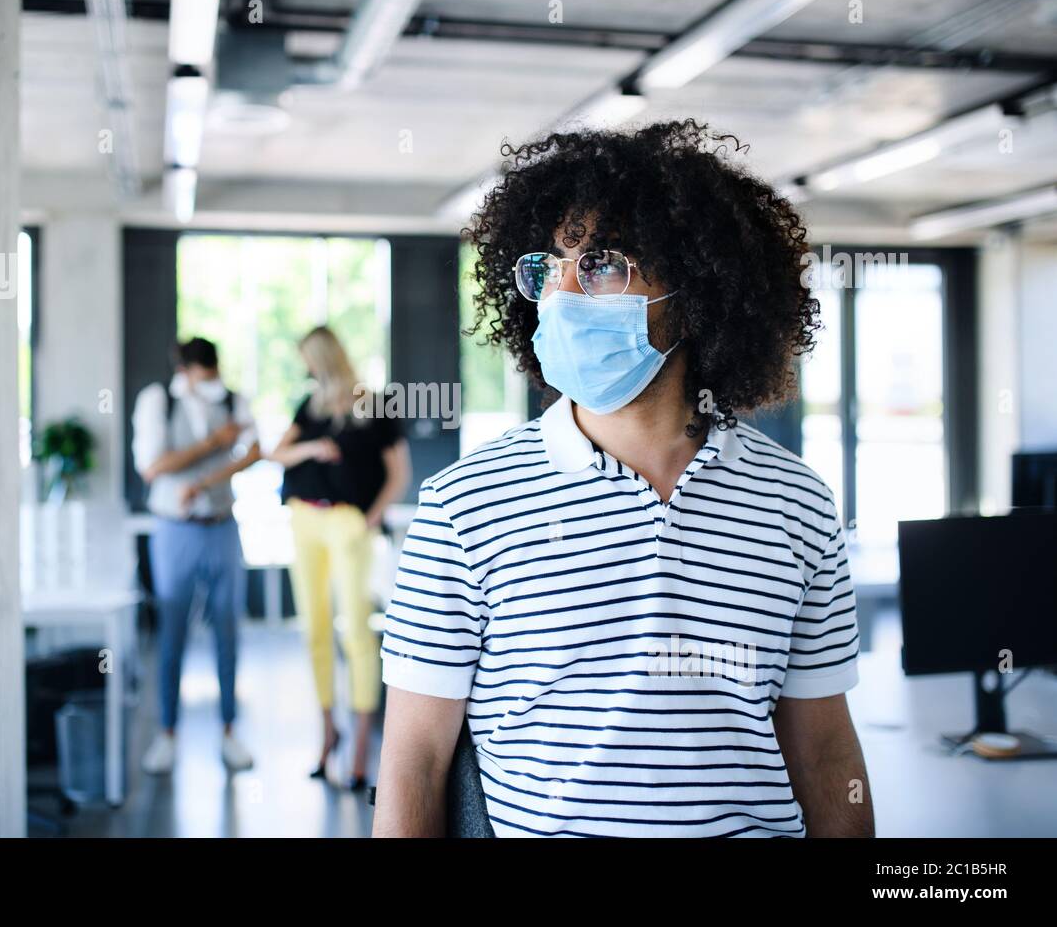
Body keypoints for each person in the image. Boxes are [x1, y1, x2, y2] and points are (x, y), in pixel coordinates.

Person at [373, 120, 874, 838]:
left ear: (695, 288)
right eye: (549, 266)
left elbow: (826, 754)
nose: (565, 291)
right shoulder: (464, 505)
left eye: (603, 263)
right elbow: (414, 761)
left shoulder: (797, 505)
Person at [269, 326, 411, 790]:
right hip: (304, 520)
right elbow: (278, 454)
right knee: (314, 628)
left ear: (323, 358)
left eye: (308, 359)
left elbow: (399, 475)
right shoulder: (309, 406)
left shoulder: (374, 405)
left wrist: (369, 520)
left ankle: (363, 748)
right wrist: (313, 447)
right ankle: (329, 732)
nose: (305, 368)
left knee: (356, 631)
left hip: (348, 522)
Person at [133, 337, 260, 774]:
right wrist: (212, 444)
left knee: (228, 631)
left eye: (214, 376)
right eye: (202, 377)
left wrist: (207, 481)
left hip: (222, 527)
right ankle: (167, 733)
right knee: (172, 635)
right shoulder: (156, 402)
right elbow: (152, 467)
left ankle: (229, 732)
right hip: (174, 531)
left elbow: (255, 450)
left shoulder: (232, 399)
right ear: (184, 371)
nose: (211, 384)